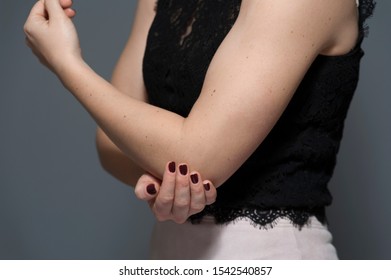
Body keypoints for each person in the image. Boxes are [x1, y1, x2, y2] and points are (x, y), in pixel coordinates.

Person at [24, 0, 375, 259]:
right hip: (168, 253)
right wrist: (164, 181)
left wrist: (67, 64)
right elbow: (110, 145)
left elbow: (196, 156)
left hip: (272, 254)